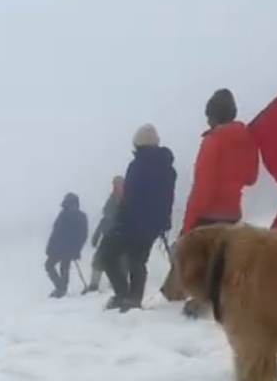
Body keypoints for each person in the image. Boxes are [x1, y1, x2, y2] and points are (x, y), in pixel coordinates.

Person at [176, 87, 260, 316]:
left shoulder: (213, 142)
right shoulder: (247, 140)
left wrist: (188, 223)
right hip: (232, 212)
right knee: (222, 262)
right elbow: (251, 178)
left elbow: (202, 186)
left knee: (198, 264)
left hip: (208, 213)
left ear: (212, 116)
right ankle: (224, 304)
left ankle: (198, 305)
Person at [99, 124, 177, 312]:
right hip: (153, 224)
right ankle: (132, 299)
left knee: (108, 255)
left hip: (131, 222)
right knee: (137, 261)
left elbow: (131, 196)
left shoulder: (138, 166)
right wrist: (163, 221)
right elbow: (166, 198)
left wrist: (121, 216)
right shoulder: (167, 168)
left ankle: (125, 296)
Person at [84, 175, 125, 294]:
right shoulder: (111, 200)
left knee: (122, 261)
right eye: (115, 184)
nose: (116, 187)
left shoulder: (128, 200)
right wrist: (97, 234)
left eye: (118, 184)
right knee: (98, 259)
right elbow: (105, 219)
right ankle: (94, 284)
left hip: (122, 236)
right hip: (108, 234)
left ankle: (117, 286)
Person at [44, 192, 89, 298]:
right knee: (52, 266)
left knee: (62, 267)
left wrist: (77, 249)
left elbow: (82, 235)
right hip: (59, 247)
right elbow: (56, 232)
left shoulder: (77, 216)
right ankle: (61, 287)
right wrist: (50, 247)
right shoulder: (65, 215)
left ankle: (61, 288)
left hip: (67, 248)